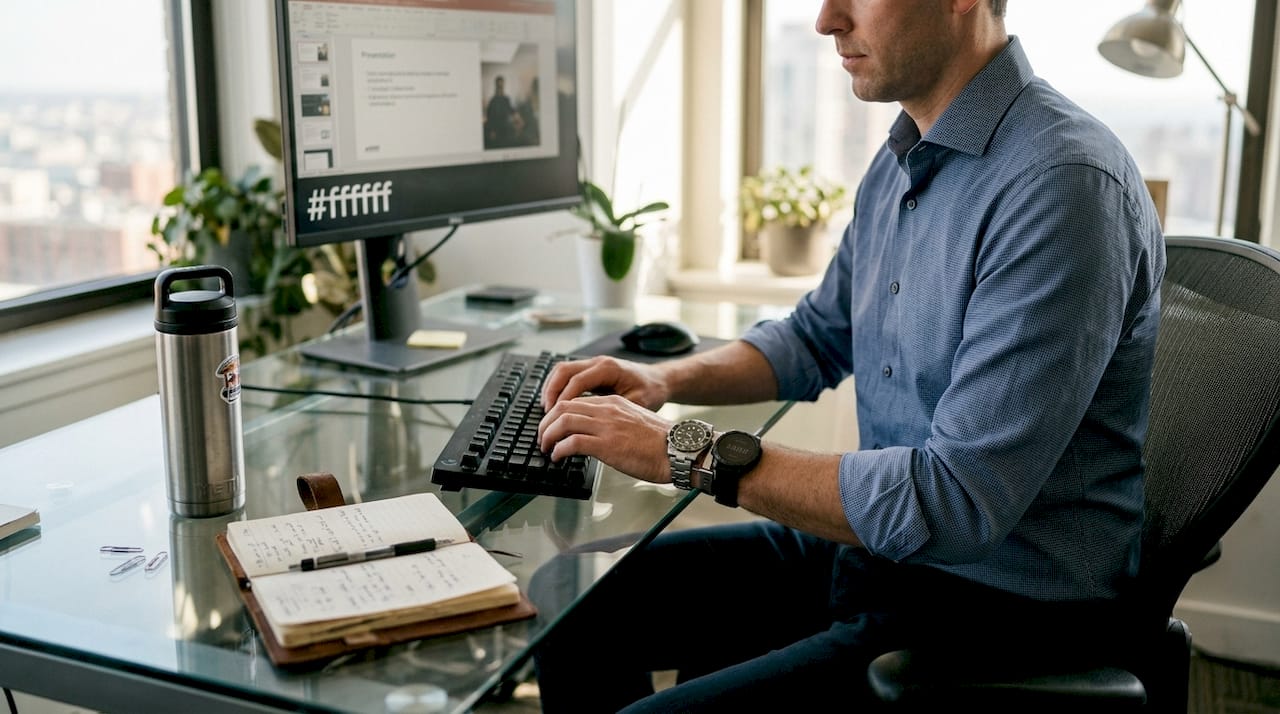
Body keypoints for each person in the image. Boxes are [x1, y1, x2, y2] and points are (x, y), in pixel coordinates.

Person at [531, 0, 1166, 711]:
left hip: (999, 613)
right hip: (882, 557)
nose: (826, 19)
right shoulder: (901, 161)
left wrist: (682, 450)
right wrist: (662, 379)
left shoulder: (1062, 183)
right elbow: (816, 336)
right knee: (570, 604)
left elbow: (955, 502)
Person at [484, 75, 517, 148]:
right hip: (497, 131)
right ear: (496, 86)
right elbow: (489, 117)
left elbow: (512, 110)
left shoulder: (506, 99)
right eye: (499, 86)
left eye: (502, 86)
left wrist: (517, 118)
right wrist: (492, 131)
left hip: (506, 129)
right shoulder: (492, 101)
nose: (501, 88)